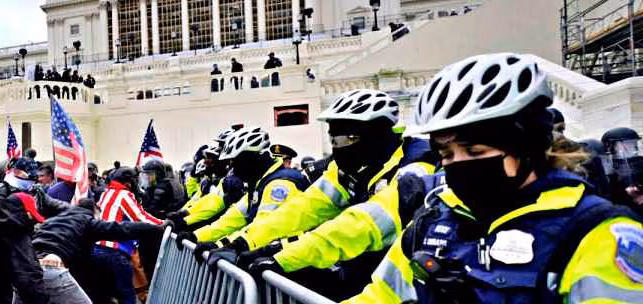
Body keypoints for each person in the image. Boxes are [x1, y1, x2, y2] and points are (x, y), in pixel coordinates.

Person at [347, 52, 643, 303]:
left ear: (525, 148)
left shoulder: (596, 234)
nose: (458, 166)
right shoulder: (434, 218)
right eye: (446, 155)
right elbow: (379, 296)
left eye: (475, 152)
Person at [216, 90, 438, 299]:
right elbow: (301, 209)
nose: (337, 147)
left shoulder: (418, 166)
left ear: (376, 135)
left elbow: (363, 224)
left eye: (344, 139)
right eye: (333, 140)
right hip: (364, 275)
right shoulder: (348, 169)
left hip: (412, 285)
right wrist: (243, 242)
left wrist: (283, 258)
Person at [179, 127, 310, 263]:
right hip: (278, 255)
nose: (233, 169)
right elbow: (232, 219)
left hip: (300, 262)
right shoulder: (260, 183)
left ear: (250, 159)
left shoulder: (280, 185)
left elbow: (263, 227)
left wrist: (224, 245)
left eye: (235, 162)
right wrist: (196, 236)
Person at [26, 198, 164, 304]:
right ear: (94, 212)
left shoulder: (54, 220)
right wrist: (158, 228)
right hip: (52, 267)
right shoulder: (87, 222)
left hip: (27, 267)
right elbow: (123, 229)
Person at [93, 167, 164, 304]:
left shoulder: (105, 193)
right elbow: (140, 217)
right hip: (115, 252)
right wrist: (163, 224)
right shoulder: (124, 195)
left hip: (96, 249)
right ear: (128, 183)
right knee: (127, 295)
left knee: (104, 295)